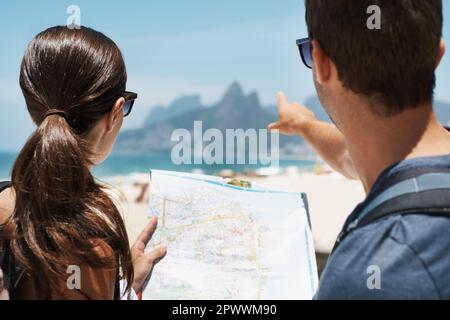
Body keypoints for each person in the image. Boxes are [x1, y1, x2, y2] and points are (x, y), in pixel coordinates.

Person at [270, 0, 450, 299]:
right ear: (437, 55)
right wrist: (303, 124)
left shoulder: (368, 273)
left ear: (320, 62)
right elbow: (347, 155)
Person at [0, 26, 167, 299]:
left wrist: (125, 284)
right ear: (115, 113)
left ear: (33, 109)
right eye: (126, 105)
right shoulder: (91, 244)